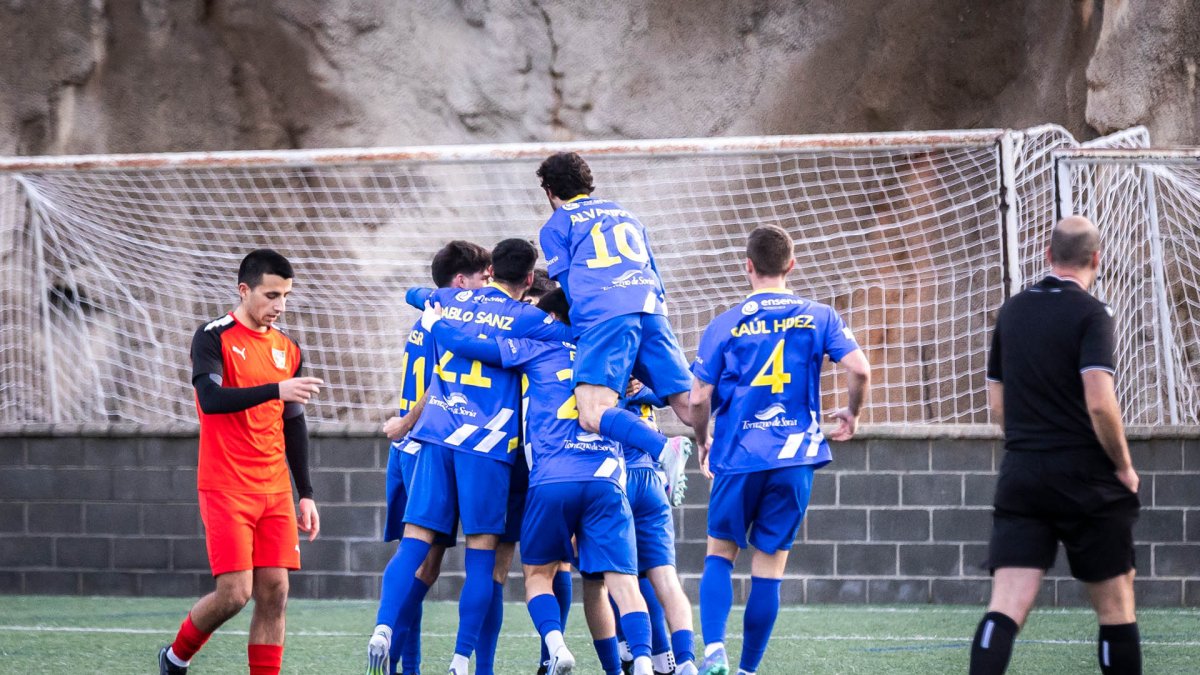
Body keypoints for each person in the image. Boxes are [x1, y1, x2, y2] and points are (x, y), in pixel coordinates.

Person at [423, 288, 662, 675]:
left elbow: (468, 345)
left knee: (537, 574)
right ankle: (646, 663)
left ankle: (555, 645)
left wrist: (434, 320)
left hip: (551, 479)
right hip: (606, 479)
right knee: (624, 583)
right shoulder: (606, 358)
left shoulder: (536, 349)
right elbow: (660, 390)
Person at [373, 239, 570, 675]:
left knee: (416, 551)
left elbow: (414, 294)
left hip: (432, 437)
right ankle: (468, 663)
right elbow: (571, 334)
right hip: (495, 448)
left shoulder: (449, 300)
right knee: (493, 559)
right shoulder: (529, 319)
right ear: (528, 280)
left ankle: (385, 633)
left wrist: (438, 302)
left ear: (491, 270)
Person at [689, 226, 870, 675]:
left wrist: (701, 439)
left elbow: (696, 398)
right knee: (769, 569)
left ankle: (714, 650)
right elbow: (860, 369)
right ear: (792, 265)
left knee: (720, 553)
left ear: (747, 266)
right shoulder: (819, 315)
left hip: (739, 452)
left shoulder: (726, 322)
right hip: (794, 456)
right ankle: (748, 670)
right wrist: (851, 413)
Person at [970, 215, 1141, 675]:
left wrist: (1028, 445)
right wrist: (1123, 466)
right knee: (1116, 606)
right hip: (1086, 476)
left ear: (1047, 256)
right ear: (1096, 260)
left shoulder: (1012, 310)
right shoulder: (1093, 314)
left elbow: (996, 402)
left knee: (1005, 606)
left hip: (1023, 473)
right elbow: (1101, 404)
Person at [159, 249, 324, 675]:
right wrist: (276, 389)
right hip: (226, 486)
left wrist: (305, 494)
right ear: (244, 290)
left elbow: (294, 424)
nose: (280, 306)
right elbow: (211, 401)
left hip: (274, 491)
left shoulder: (288, 348)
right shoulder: (212, 336)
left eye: (286, 296)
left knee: (275, 591)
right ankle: (176, 657)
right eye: (271, 295)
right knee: (235, 593)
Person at [369, 241, 491, 675]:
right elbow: (443, 385)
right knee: (425, 565)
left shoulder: (425, 317)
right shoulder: (460, 321)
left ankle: (407, 665)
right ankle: (400, 656)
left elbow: (414, 293)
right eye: (482, 278)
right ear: (461, 282)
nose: (488, 287)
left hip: (404, 449)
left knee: (416, 560)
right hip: (429, 444)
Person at [536, 152, 696, 474]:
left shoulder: (556, 225)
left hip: (605, 314)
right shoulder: (626, 214)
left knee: (592, 413)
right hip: (651, 307)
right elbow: (654, 270)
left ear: (550, 191)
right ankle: (747, 398)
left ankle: (665, 448)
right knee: (691, 407)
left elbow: (573, 292)